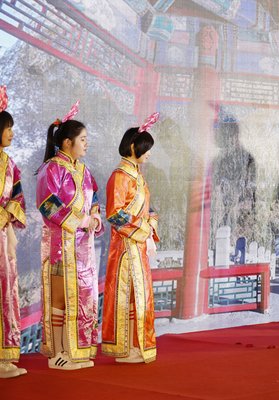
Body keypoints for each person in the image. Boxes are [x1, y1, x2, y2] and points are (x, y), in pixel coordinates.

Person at [36, 101, 104, 369]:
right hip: (59, 245)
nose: (86, 144)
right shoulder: (51, 168)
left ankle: (76, 350)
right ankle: (57, 353)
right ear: (67, 142)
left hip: (83, 248)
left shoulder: (84, 170)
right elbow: (47, 205)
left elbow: (94, 197)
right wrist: (82, 220)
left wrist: (95, 217)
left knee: (82, 297)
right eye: (83, 139)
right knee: (60, 298)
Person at [102, 113, 159, 363]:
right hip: (125, 247)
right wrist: (144, 229)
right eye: (146, 148)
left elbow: (148, 209)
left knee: (140, 296)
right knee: (124, 296)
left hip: (138, 246)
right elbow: (115, 214)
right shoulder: (120, 176)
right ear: (133, 147)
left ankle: (137, 345)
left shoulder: (137, 175)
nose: (149, 154)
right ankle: (123, 349)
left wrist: (152, 223)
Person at [0, 86, 27, 378]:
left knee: (6, 291)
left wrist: (7, 214)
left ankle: (3, 358)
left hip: (3, 235)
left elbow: (18, 198)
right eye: (8, 128)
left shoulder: (10, 165)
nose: (12, 133)